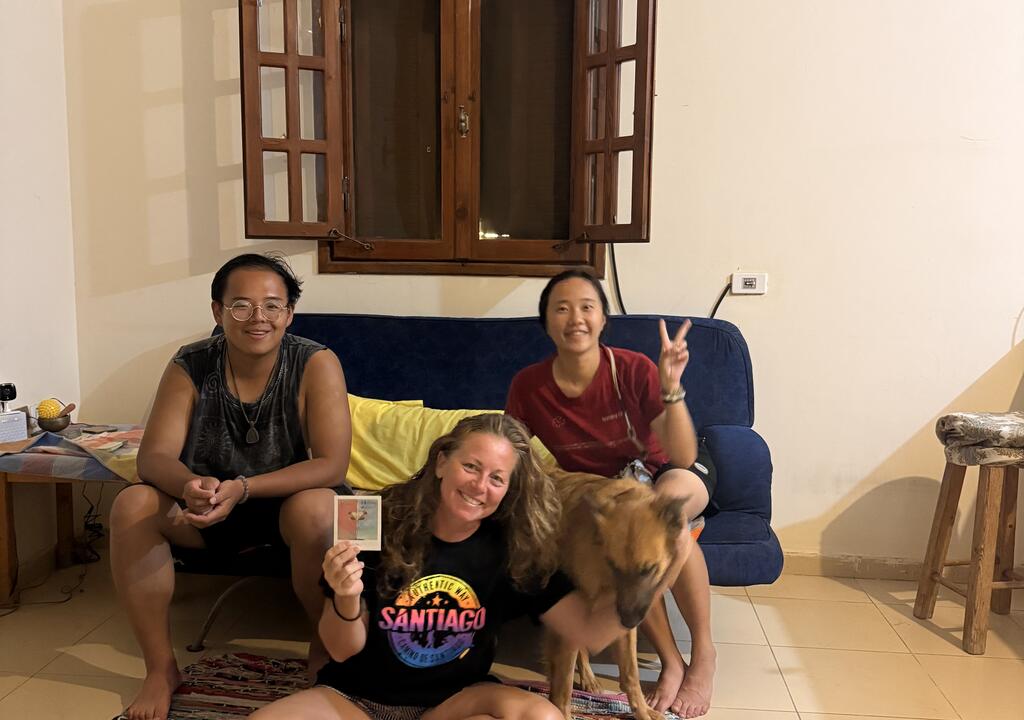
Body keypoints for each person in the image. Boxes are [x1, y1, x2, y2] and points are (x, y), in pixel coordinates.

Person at [252, 413, 686, 720]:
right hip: (356, 701)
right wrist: (346, 597)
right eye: (471, 466)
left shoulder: (515, 548)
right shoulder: (374, 520)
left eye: (497, 478)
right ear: (442, 462)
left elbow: (589, 632)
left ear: (510, 488)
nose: (480, 486)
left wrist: (665, 565)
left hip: (452, 704)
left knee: (543, 718)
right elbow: (343, 650)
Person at [110, 253, 352, 720]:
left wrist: (243, 488)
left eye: (272, 305)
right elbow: (153, 458)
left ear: (289, 314)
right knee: (132, 504)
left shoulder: (315, 362)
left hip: (290, 509)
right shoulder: (191, 363)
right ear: (218, 312)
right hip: (207, 507)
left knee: (319, 508)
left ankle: (324, 652)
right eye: (241, 305)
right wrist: (190, 484)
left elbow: (331, 464)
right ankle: (160, 669)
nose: (258, 317)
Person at [505, 269, 718, 719]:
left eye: (587, 307)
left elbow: (682, 454)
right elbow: (513, 453)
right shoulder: (529, 385)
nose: (575, 318)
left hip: (670, 471)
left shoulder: (633, 368)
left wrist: (671, 388)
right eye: (562, 308)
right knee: (626, 545)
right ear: (546, 322)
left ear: (603, 319)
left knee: (665, 517)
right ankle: (671, 661)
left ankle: (702, 657)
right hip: (609, 492)